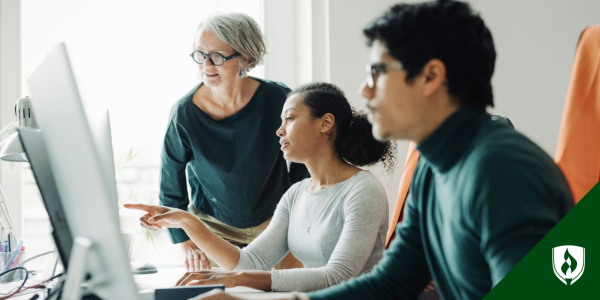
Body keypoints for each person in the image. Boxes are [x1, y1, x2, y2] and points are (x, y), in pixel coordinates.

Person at [190, 1, 574, 299]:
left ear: (431, 76)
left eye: (377, 72)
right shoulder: (432, 169)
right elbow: (391, 284)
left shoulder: (501, 169)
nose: (365, 91)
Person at [126, 82, 395, 292]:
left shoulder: (362, 190)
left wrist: (240, 280)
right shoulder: (296, 194)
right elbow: (249, 262)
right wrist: (186, 221)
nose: (279, 131)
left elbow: (338, 277)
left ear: (325, 123)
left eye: (289, 119)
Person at [149, 12, 309, 271]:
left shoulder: (278, 99)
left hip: (274, 225)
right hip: (212, 229)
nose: (206, 65)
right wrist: (183, 240)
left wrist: (294, 213)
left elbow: (304, 158)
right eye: (200, 55)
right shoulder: (184, 113)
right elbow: (171, 181)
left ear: (244, 57)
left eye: (217, 57)